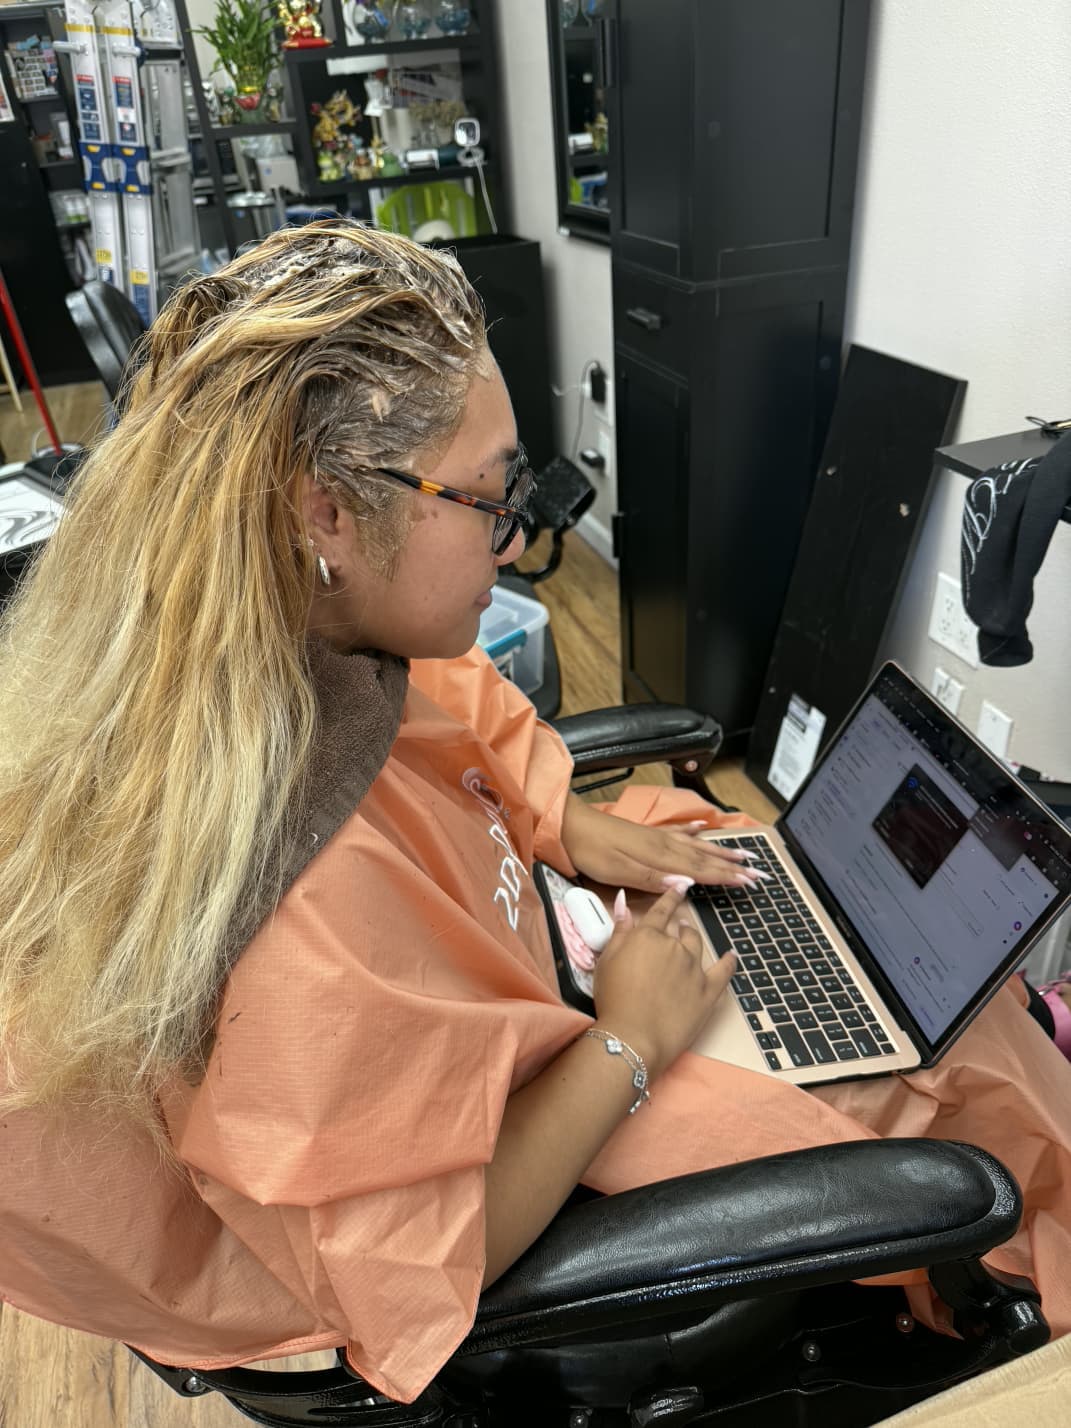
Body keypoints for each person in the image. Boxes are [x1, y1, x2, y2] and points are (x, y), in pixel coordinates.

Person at [0, 222, 1068, 1408]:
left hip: (507, 989)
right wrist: (628, 1036)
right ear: (326, 515)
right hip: (515, 1132)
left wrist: (561, 822)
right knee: (966, 1074)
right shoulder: (292, 910)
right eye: (492, 493)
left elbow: (461, 708)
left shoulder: (276, 638)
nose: (513, 537)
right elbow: (427, 1262)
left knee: (722, 858)